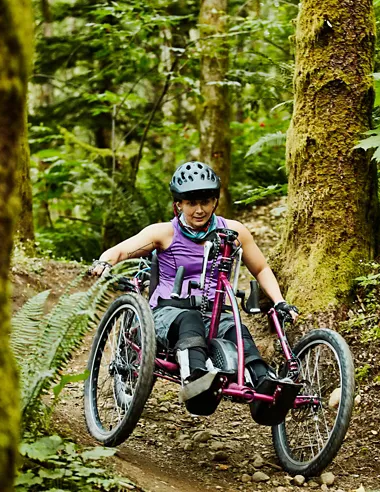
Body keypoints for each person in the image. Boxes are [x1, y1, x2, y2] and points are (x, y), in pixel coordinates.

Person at [90, 161, 299, 415]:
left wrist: (279, 302)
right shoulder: (164, 233)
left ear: (215, 201)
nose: (199, 210)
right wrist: (104, 261)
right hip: (169, 312)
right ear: (179, 204)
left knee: (238, 332)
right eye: (191, 203)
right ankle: (196, 381)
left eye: (205, 202)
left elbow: (262, 269)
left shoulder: (233, 232)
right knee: (190, 320)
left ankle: (267, 390)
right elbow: (123, 249)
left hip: (215, 314)